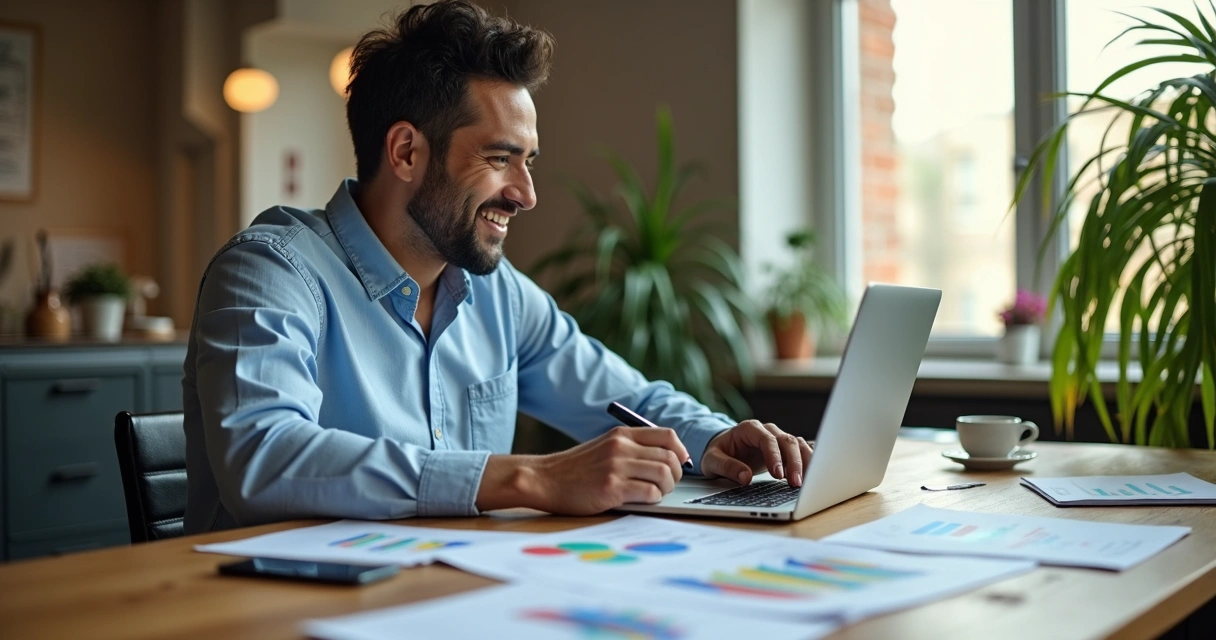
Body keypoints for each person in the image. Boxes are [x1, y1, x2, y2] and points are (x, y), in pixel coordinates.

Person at [182, 0, 812, 534]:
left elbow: (628, 399)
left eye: (528, 161)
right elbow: (262, 458)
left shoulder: (497, 295)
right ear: (406, 152)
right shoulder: (270, 271)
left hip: (442, 593)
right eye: (499, 158)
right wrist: (532, 477)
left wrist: (714, 439)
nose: (526, 194)